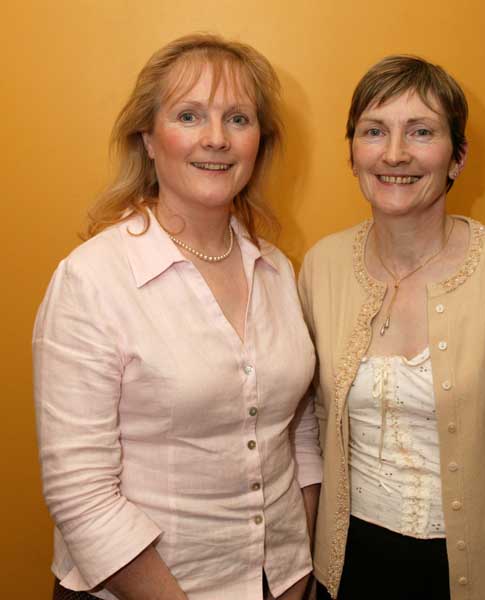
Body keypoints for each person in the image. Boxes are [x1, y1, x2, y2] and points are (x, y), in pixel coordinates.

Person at [33, 33, 321, 600]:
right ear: (147, 136)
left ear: (259, 142)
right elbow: (79, 492)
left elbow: (299, 434)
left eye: (238, 118)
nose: (216, 139)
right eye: (189, 115)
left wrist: (296, 572)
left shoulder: (279, 270)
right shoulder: (91, 280)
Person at [298, 55, 485, 600]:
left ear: (457, 157)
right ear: (352, 154)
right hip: (349, 569)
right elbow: (315, 424)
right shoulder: (322, 266)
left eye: (421, 131)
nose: (395, 153)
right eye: (374, 131)